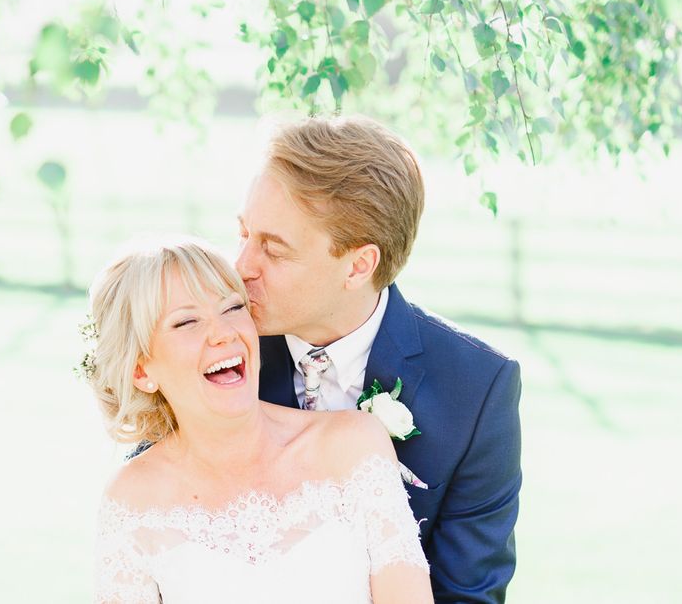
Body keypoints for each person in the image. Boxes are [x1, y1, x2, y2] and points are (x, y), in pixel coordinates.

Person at [235, 115, 522, 603]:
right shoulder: (213, 348)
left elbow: (468, 594)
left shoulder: (477, 389)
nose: (241, 266)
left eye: (274, 250)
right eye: (243, 233)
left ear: (358, 265)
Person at [84, 238, 433, 603]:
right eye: (186, 322)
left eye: (233, 307)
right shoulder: (131, 501)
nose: (224, 333)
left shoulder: (354, 445)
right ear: (141, 370)